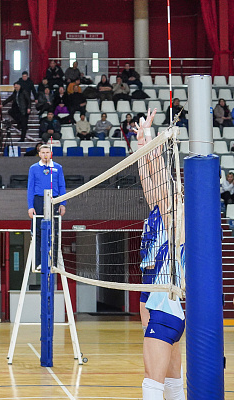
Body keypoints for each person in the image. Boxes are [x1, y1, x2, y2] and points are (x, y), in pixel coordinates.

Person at [135, 108, 186, 400]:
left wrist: (151, 137)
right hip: (156, 298)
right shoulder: (159, 213)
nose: (168, 192)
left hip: (165, 304)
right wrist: (142, 145)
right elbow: (150, 181)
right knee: (171, 380)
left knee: (153, 381)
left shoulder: (174, 219)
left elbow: (162, 181)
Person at [27, 144, 66, 267]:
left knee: (54, 232)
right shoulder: (33, 168)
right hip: (39, 200)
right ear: (39, 154)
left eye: (47, 152)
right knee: (38, 232)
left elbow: (62, 186)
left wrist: (63, 203)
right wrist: (30, 206)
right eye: (43, 152)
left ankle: (54, 263)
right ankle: (39, 263)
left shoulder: (58, 167)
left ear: (51, 154)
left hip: (54, 200)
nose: (45, 155)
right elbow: (30, 188)